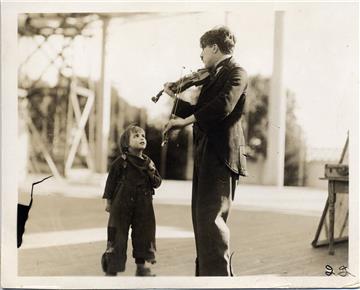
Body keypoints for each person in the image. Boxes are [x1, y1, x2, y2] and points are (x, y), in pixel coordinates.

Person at [163, 26, 248, 276]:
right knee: (202, 223)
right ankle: (207, 279)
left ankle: (218, 280)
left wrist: (182, 122)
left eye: (203, 48)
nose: (200, 55)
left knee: (211, 222)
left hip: (221, 156)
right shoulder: (212, 76)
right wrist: (173, 98)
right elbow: (200, 111)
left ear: (213, 47)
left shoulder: (237, 72)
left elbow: (222, 107)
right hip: (206, 154)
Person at [101, 125, 162, 276]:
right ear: (126, 144)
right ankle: (112, 266)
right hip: (122, 204)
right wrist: (108, 200)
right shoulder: (121, 162)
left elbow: (157, 182)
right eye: (136, 136)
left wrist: (152, 172)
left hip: (144, 204)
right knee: (118, 234)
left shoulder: (149, 163)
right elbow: (111, 181)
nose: (142, 138)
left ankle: (142, 267)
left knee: (144, 233)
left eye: (143, 136)